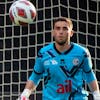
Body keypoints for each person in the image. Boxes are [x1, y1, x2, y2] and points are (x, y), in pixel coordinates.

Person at [18, 17, 100, 100]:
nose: (61, 32)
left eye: (65, 29)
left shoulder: (82, 52)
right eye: (58, 28)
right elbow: (35, 76)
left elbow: (89, 75)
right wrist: (25, 93)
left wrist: (97, 96)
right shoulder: (44, 53)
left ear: (71, 33)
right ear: (53, 32)